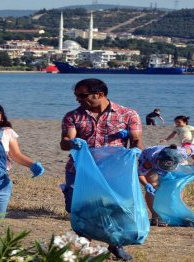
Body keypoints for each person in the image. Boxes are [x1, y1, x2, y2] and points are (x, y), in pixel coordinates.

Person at [59, 78, 143, 261]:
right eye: (76, 96)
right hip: (80, 170)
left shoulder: (128, 114)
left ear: (100, 94)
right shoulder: (73, 116)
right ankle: (83, 247)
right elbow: (65, 142)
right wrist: (72, 142)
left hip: (114, 172)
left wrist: (135, 152)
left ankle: (115, 245)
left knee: (116, 208)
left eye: (82, 95)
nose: (78, 100)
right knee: (80, 209)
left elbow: (136, 140)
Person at [138, 144, 194, 226]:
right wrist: (146, 185)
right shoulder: (150, 160)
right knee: (152, 184)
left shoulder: (182, 153)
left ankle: (173, 213)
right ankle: (156, 216)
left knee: (176, 187)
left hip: (173, 164)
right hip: (152, 163)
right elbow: (140, 173)